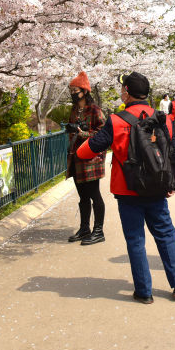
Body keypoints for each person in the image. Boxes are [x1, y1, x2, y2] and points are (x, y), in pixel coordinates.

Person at [77, 72, 175, 303]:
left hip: (127, 188)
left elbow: (89, 149)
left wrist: (81, 145)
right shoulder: (164, 118)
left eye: (122, 89)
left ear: (127, 92)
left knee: (135, 238)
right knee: (165, 234)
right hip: (157, 186)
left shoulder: (117, 120)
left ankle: (144, 291)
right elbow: (173, 153)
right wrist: (174, 183)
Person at [66, 72, 107, 245]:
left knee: (94, 195)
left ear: (84, 91)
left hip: (91, 159)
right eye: (71, 90)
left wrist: (84, 133)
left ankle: (98, 231)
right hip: (76, 158)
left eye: (75, 90)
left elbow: (103, 132)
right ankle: (84, 229)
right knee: (82, 196)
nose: (72, 93)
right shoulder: (75, 110)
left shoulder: (95, 110)